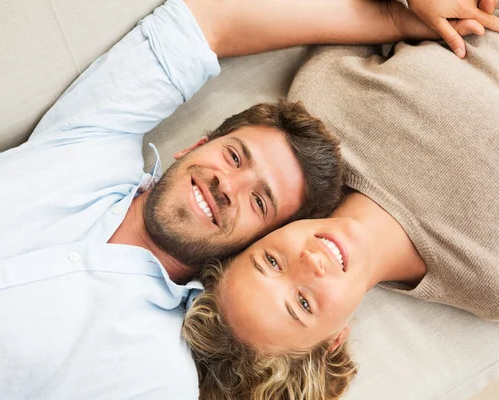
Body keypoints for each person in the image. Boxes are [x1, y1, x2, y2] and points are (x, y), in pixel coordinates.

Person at [0, 0, 496, 399]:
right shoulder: (91, 140)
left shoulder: (155, 372)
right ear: (196, 143)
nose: (225, 185)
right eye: (235, 158)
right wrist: (395, 14)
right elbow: (209, 21)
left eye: (259, 205)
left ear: (248, 246)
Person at [182, 2, 499, 399]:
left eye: (272, 261)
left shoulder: (319, 109)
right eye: (302, 303)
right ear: (332, 341)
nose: (308, 263)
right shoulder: (489, 279)